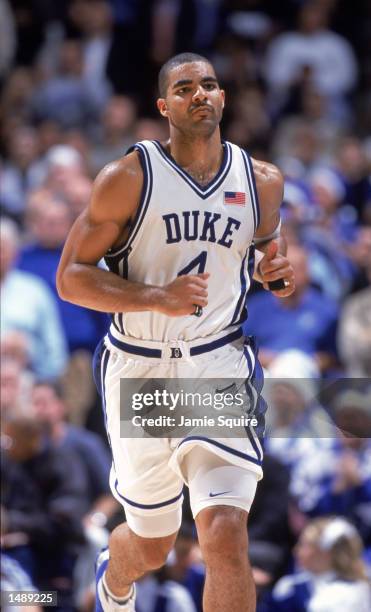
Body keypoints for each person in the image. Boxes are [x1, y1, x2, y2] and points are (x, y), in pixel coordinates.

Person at [57, 52, 295, 612]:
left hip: (217, 363)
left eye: (209, 85)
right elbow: (70, 277)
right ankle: (114, 580)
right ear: (165, 106)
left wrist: (272, 271)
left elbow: (264, 249)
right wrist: (154, 298)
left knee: (225, 534)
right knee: (153, 544)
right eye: (185, 88)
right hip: (142, 367)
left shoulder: (262, 181)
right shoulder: (126, 179)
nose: (200, 95)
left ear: (223, 98)